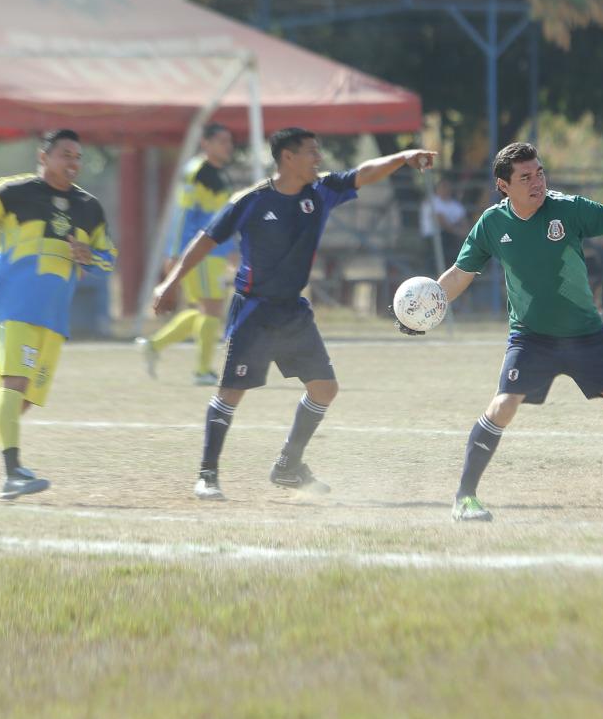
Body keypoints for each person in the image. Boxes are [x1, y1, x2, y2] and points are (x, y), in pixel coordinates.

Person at [416, 141, 603, 523]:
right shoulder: (492, 224)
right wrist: (423, 313)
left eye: (540, 172)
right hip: (531, 338)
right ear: (503, 185)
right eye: (525, 177)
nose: (537, 182)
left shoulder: (570, 209)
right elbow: (459, 275)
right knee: (502, 406)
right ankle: (465, 497)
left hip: (586, 335)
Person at [152, 127, 436, 501]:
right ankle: (207, 474)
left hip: (293, 311)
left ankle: (288, 465)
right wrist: (170, 283)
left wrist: (402, 158)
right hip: (254, 309)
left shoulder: (321, 192)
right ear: (288, 157)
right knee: (231, 393)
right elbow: (206, 240)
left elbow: (364, 173)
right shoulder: (251, 200)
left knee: (324, 389)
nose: (318, 159)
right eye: (311, 152)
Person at [0, 129, 116, 501]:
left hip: (53, 317)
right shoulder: (12, 192)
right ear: (43, 156)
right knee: (12, 388)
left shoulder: (89, 207)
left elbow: (108, 258)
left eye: (78, 157)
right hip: (13, 306)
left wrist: (89, 256)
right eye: (65, 154)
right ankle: (12, 473)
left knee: (20, 401)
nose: (73, 163)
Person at [135, 123, 235, 385]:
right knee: (211, 307)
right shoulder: (196, 173)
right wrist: (176, 253)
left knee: (206, 308)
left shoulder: (221, 174)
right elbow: (183, 216)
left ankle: (154, 345)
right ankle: (202, 371)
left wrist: (232, 248)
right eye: (222, 141)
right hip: (198, 250)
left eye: (229, 141)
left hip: (215, 250)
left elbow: (224, 217)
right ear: (206, 143)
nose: (228, 146)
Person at [419, 175, 469, 272]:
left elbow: (464, 223)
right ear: (437, 189)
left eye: (447, 187)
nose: (445, 189)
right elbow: (441, 221)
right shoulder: (431, 202)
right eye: (442, 187)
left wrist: (465, 233)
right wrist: (459, 231)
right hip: (432, 237)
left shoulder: (456, 205)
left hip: (451, 236)